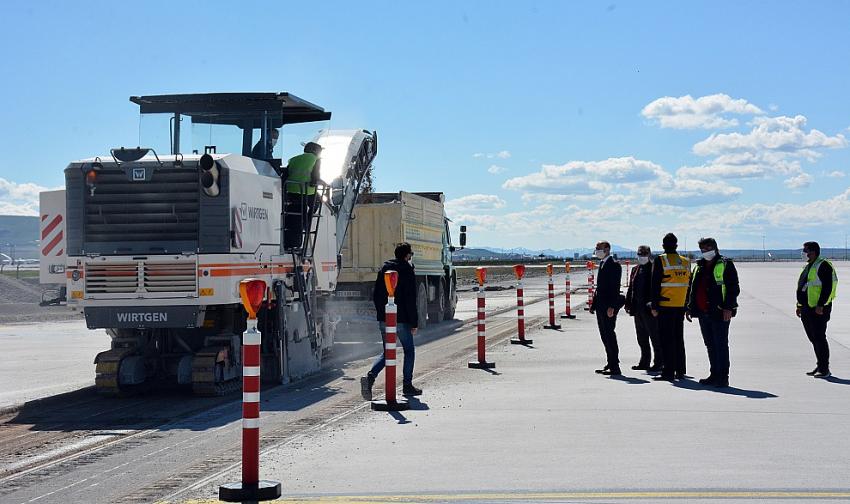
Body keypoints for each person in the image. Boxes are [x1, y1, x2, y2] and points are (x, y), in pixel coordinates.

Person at [361, 242, 423, 400]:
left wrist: (383, 314)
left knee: (388, 352)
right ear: (407, 255)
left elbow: (376, 295)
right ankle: (407, 386)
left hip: (385, 318)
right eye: (411, 254)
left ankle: (370, 377)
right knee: (409, 351)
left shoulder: (384, 269)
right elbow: (410, 299)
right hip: (402, 320)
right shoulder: (407, 270)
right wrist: (414, 323)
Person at [686, 238, 740, 388]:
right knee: (710, 344)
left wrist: (729, 307)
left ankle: (723, 377)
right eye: (702, 249)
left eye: (708, 248)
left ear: (715, 248)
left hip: (719, 312)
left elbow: (733, 287)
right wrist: (690, 307)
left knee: (720, 344)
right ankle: (714, 374)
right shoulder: (699, 266)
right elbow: (693, 288)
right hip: (703, 312)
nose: (705, 251)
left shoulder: (725, 264)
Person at [650, 233, 691, 382]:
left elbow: (655, 285)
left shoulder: (661, 260)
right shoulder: (686, 262)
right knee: (678, 339)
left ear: (663, 246)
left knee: (666, 340)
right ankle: (680, 370)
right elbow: (688, 284)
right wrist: (687, 304)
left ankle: (668, 371)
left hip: (665, 305)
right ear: (677, 245)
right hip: (680, 305)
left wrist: (654, 305)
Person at [796, 241, 838, 378]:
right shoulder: (808, 266)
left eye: (805, 250)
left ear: (813, 252)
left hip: (818, 309)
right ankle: (820, 365)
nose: (803, 253)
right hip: (807, 308)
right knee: (813, 338)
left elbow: (828, 288)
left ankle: (824, 368)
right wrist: (799, 305)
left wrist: (821, 305)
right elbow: (803, 288)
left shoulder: (823, 265)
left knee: (819, 337)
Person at [625, 245, 662, 372]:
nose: (642, 256)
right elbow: (631, 287)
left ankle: (658, 362)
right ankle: (644, 361)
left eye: (644, 253)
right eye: (640, 253)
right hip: (637, 309)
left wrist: (655, 306)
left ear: (649, 254)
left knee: (655, 337)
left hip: (650, 309)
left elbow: (657, 289)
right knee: (641, 337)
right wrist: (628, 303)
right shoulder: (635, 269)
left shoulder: (654, 268)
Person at [589, 241, 623, 376]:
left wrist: (612, 307)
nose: (597, 250)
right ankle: (610, 362)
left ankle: (615, 366)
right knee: (604, 335)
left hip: (608, 307)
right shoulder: (603, 263)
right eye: (596, 248)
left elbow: (615, 288)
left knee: (609, 335)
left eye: (599, 248)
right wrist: (593, 304)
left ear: (607, 249)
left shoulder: (614, 265)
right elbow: (600, 288)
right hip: (600, 306)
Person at [282, 142, 322, 251]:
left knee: (294, 214)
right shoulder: (315, 159)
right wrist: (317, 183)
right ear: (314, 150)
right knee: (318, 202)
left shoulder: (293, 159)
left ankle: (294, 236)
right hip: (306, 191)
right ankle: (306, 222)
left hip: (290, 190)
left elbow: (285, 175)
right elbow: (315, 177)